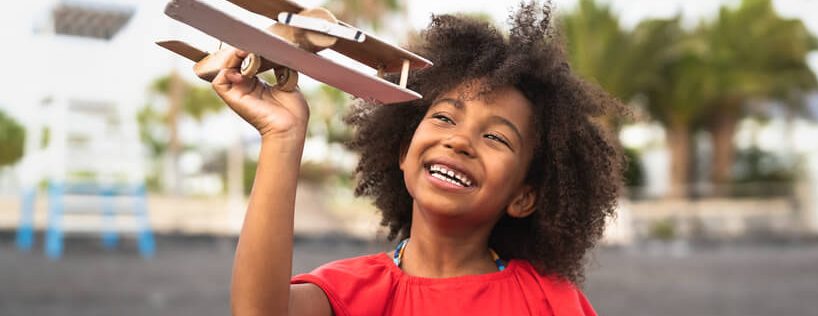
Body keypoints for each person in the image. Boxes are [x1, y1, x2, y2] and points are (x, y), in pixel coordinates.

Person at [212, 1, 625, 315]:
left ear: (524, 197)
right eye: (444, 117)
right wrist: (282, 136)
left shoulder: (551, 302)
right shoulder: (345, 293)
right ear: (404, 151)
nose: (460, 141)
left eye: (496, 137)